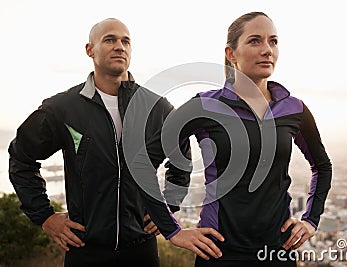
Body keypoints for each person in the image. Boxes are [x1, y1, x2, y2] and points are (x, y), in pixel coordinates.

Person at [8, 18, 223, 267]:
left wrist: (171, 204)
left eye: (125, 41)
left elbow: (182, 161)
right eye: (110, 40)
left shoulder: (157, 109)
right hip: (85, 249)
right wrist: (45, 216)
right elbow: (21, 158)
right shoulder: (62, 109)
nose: (119, 46)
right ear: (90, 50)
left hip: (141, 250)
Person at [149, 11, 332, 266]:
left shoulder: (293, 109)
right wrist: (172, 230)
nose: (267, 50)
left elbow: (322, 166)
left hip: (278, 252)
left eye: (273, 41)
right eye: (255, 40)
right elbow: (143, 162)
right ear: (231, 53)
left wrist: (311, 220)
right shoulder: (204, 106)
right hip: (219, 253)